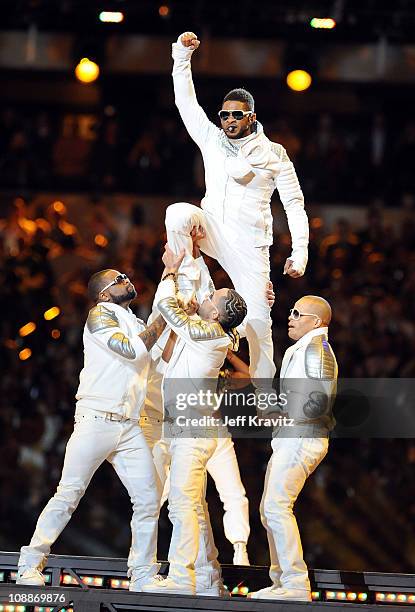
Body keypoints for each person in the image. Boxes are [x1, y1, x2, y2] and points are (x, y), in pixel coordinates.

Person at [169, 30, 309, 384]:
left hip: (249, 245)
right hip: (211, 227)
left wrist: (300, 251)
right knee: (177, 214)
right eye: (224, 114)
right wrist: (181, 58)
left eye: (236, 115)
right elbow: (186, 103)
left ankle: (265, 397)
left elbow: (294, 203)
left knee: (260, 325)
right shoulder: (212, 140)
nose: (229, 120)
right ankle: (193, 291)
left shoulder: (274, 153)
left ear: (251, 116)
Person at [16, 269, 167, 592]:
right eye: (119, 279)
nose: (127, 279)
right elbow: (133, 351)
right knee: (69, 493)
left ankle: (141, 573)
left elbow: (153, 352)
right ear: (103, 294)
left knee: (148, 499)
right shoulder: (99, 316)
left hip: (128, 425)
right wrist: (164, 317)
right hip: (96, 418)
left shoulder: (133, 320)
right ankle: (30, 563)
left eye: (126, 276)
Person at [140, 229, 272, 566]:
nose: (208, 295)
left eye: (215, 298)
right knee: (183, 501)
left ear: (215, 314)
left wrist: (170, 270)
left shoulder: (210, 335)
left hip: (197, 429)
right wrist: (261, 300)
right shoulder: (210, 332)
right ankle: (202, 568)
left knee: (193, 501)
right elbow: (175, 341)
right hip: (181, 425)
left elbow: (170, 309)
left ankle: (193, 571)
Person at [249, 295, 337, 601]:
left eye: (298, 313)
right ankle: (282, 582)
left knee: (275, 507)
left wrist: (281, 413)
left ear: (316, 322)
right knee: (268, 510)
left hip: (303, 435)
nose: (291, 317)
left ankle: (295, 584)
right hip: (292, 435)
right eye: (291, 312)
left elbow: (318, 399)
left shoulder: (317, 350)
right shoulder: (304, 348)